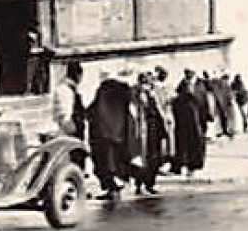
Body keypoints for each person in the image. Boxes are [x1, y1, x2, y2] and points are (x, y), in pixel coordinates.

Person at [86, 70, 136, 201]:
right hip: (120, 133)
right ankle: (116, 186)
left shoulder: (104, 91)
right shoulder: (124, 91)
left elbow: (93, 111)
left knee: (105, 164)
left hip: (104, 134)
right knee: (116, 162)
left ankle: (112, 189)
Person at [134, 72, 168, 194]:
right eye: (145, 82)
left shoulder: (153, 95)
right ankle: (139, 184)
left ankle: (149, 184)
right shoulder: (136, 95)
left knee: (153, 158)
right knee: (142, 158)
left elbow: (160, 112)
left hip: (153, 129)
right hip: (143, 130)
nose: (147, 85)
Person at [171, 70, 208, 175]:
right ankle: (182, 165)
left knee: (196, 142)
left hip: (197, 120)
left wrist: (206, 117)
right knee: (183, 143)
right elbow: (177, 102)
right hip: (183, 120)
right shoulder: (182, 85)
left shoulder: (200, 86)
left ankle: (194, 165)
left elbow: (204, 102)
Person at [51, 60, 86, 139]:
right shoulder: (67, 90)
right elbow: (66, 117)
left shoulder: (63, 88)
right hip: (71, 134)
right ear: (78, 75)